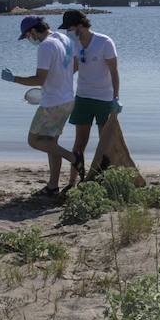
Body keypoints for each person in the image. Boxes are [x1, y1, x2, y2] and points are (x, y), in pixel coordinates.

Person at [1, 16, 80, 195]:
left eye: (28, 35)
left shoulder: (45, 46)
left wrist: (14, 79)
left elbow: (39, 79)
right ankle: (53, 186)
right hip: (68, 99)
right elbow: (75, 66)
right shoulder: (64, 39)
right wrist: (59, 81)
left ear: (34, 31)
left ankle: (74, 158)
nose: (29, 39)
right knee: (50, 143)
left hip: (52, 103)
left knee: (34, 140)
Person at [59, 10, 120, 188]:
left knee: (105, 143)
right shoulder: (75, 44)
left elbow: (114, 71)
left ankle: (105, 181)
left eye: (69, 28)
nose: (67, 32)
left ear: (80, 25)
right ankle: (72, 183)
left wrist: (116, 98)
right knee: (79, 143)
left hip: (104, 99)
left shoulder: (104, 42)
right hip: (83, 98)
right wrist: (57, 83)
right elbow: (74, 67)